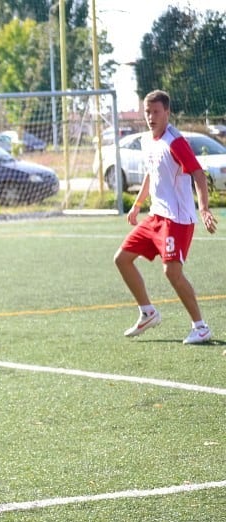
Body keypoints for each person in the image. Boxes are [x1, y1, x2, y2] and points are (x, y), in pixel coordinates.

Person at [114, 89, 217, 345]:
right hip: (156, 216)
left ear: (167, 112)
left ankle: (201, 327)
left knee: (171, 272)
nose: (151, 117)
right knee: (122, 259)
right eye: (147, 112)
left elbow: (198, 175)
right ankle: (148, 313)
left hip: (178, 219)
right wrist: (138, 204)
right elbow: (151, 172)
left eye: (156, 112)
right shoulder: (147, 140)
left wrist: (203, 209)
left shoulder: (176, 141)